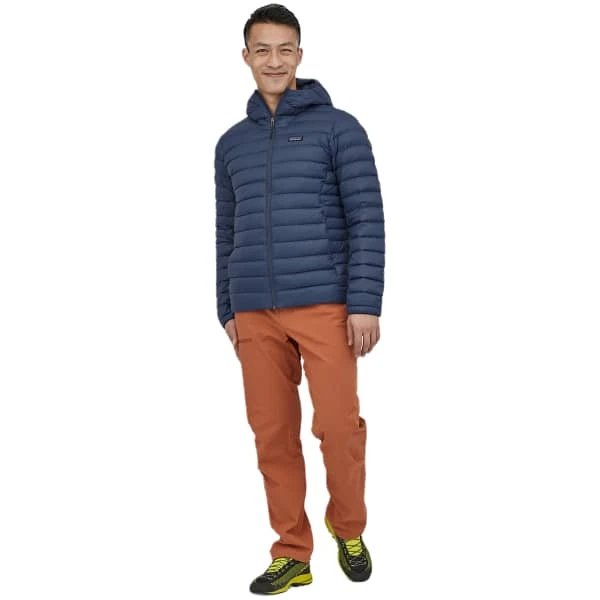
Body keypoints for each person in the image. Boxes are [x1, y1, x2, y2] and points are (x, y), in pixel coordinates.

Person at [214, 3, 385, 594]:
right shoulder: (231, 144)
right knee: (272, 436)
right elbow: (226, 230)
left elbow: (366, 217)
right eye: (262, 50)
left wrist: (365, 302)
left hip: (325, 304)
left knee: (338, 427)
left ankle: (348, 527)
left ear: (300, 55)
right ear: (245, 57)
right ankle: (292, 552)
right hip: (253, 310)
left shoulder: (340, 129)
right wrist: (227, 308)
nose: (273, 61)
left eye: (284, 49)